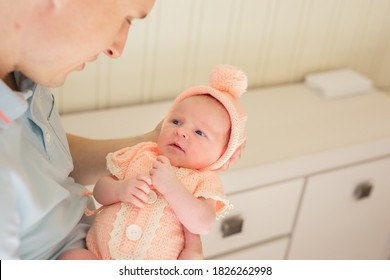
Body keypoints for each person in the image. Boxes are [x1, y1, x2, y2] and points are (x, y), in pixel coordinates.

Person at [0, 0, 204, 260]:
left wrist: (150, 143)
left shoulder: (27, 72)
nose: (116, 48)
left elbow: (44, 158)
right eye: (126, 19)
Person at [59, 64, 248, 260]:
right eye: (176, 121)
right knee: (71, 257)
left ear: (222, 154)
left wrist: (172, 187)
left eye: (199, 133)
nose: (181, 131)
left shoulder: (204, 181)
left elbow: (202, 223)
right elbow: (100, 189)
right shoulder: (140, 153)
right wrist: (120, 190)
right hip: (97, 255)